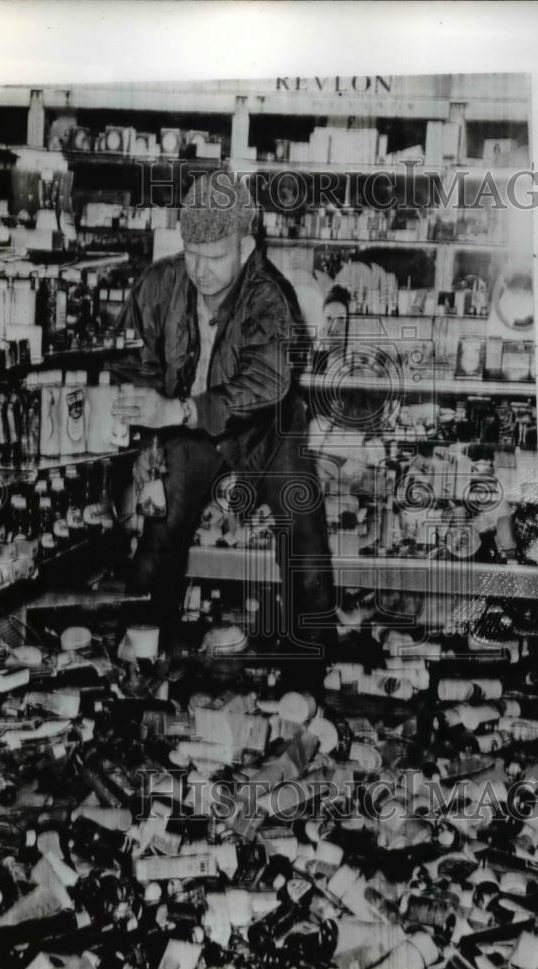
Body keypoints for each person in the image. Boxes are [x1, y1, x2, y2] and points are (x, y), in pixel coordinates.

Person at [112, 172, 337, 689]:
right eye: (192, 253)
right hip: (189, 427)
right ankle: (140, 662)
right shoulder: (160, 284)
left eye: (216, 257)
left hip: (270, 427)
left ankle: (311, 673)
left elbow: (265, 381)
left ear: (247, 245)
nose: (202, 270)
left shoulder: (270, 298)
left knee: (302, 536)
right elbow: (139, 363)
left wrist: (176, 413)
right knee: (160, 530)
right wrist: (148, 438)